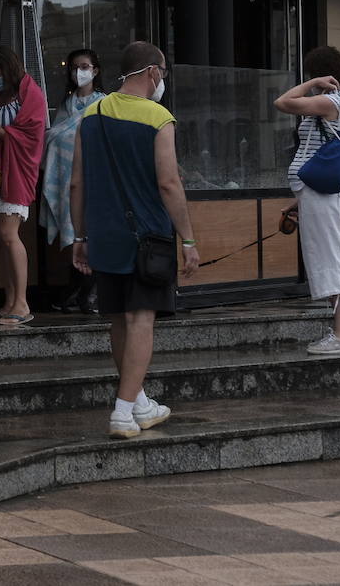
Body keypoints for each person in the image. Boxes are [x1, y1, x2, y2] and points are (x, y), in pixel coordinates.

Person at [71, 41, 199, 438]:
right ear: (153, 72)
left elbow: (77, 183)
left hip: (103, 233)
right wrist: (189, 239)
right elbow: (169, 182)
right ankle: (123, 412)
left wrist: (79, 235)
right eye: (163, 72)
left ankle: (139, 402)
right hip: (147, 235)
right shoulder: (158, 116)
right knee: (141, 318)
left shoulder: (90, 114)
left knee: (117, 319)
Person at [274, 46, 340, 356]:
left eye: (312, 74)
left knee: (331, 260)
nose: (309, 79)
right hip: (316, 195)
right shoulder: (338, 102)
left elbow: (282, 102)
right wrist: (298, 202)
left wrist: (313, 84)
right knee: (326, 258)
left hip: (321, 196)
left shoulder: (330, 101)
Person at [0, 45, 47, 325]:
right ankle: (10, 300)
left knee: (8, 233)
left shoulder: (31, 94)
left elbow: (31, 137)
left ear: (9, 69)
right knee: (0, 238)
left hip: (16, 171)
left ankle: (23, 303)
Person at [41, 49, 107, 313]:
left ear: (95, 70)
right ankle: (77, 288)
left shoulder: (103, 103)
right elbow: (53, 139)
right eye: (74, 67)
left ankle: (89, 291)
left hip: (93, 182)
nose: (79, 71)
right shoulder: (66, 106)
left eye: (84, 66)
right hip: (66, 183)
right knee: (74, 234)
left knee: (89, 233)